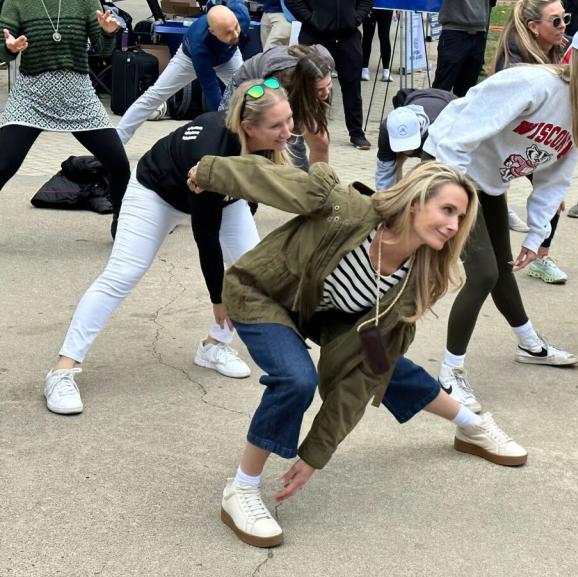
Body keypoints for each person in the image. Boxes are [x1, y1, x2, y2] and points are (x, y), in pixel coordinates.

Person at [189, 159, 527, 548]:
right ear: (416, 201)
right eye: (446, 210)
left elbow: (365, 376)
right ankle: (241, 490)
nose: (453, 225)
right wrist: (209, 173)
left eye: (460, 216)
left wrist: (316, 454)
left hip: (330, 315)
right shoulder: (347, 210)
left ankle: (472, 425)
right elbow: (277, 181)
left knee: (383, 365)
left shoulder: (418, 279)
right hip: (263, 293)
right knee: (296, 378)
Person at [423, 19, 578, 409]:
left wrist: (536, 234)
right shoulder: (533, 85)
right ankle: (450, 373)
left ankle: (529, 344)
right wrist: (452, 195)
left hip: (488, 182)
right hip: (450, 168)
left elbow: (555, 179)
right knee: (484, 272)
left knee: (502, 267)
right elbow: (454, 131)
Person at [42, 80, 292, 416]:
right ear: (248, 127)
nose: (288, 131)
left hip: (221, 197)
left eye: (289, 119)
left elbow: (254, 195)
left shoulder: (266, 140)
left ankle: (213, 346)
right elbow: (206, 235)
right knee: (122, 274)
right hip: (155, 194)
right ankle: (61, 370)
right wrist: (218, 299)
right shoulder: (211, 150)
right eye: (277, 125)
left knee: (255, 271)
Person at [0, 0, 129, 236]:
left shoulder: (86, 1)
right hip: (31, 95)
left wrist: (107, 32)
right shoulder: (17, 2)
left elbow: (103, 49)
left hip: (78, 93)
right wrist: (9, 47)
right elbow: (3, 45)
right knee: (3, 164)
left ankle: (121, 223)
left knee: (119, 164)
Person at [494, 0, 573, 285]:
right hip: (509, 139)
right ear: (533, 27)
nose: (563, 25)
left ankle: (541, 257)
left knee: (553, 197)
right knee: (488, 193)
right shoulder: (514, 63)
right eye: (556, 21)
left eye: (565, 18)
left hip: (541, 135)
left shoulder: (563, 47)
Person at [115, 2, 248, 144]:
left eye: (236, 27)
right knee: (154, 95)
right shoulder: (200, 46)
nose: (235, 34)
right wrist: (222, 127)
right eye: (228, 32)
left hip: (228, 57)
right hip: (188, 59)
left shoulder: (240, 14)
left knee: (249, 94)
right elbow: (212, 91)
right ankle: (116, 142)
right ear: (212, 31)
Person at [220, 44, 335, 169]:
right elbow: (288, 141)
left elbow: (319, 140)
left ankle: (319, 184)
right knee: (281, 147)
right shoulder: (284, 79)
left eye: (328, 85)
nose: (326, 94)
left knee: (321, 141)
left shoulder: (325, 62)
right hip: (250, 86)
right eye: (318, 90)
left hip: (297, 88)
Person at [286, 0, 373, 149]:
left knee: (352, 87)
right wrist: (311, 18)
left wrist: (356, 17)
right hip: (314, 35)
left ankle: (356, 133)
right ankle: (300, 130)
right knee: (307, 86)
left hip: (348, 36)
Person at [375, 88, 456, 190]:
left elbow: (435, 174)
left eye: (409, 143)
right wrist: (384, 198)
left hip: (447, 104)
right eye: (401, 144)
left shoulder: (436, 129)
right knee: (395, 162)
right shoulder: (386, 130)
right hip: (417, 97)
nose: (406, 150)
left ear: (420, 130)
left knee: (429, 177)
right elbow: (384, 172)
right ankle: (397, 195)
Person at [432, 0, 491, 97]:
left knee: (467, 92)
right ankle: (435, 110)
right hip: (454, 32)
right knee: (442, 88)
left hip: (479, 33)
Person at [361, 7, 393, 82]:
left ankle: (386, 71)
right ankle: (364, 69)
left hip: (386, 5)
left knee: (385, 36)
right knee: (367, 36)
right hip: (370, 5)